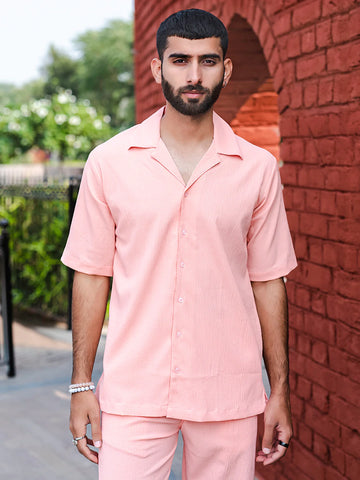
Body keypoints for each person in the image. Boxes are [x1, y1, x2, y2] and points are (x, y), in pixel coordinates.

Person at [62, 8, 297, 480]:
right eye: (180, 60)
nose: (194, 75)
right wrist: (81, 384)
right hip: (134, 388)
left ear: (226, 70)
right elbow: (91, 274)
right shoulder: (109, 162)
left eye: (208, 61)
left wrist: (281, 392)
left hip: (228, 388)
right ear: (157, 68)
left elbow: (269, 281)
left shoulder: (257, 168)